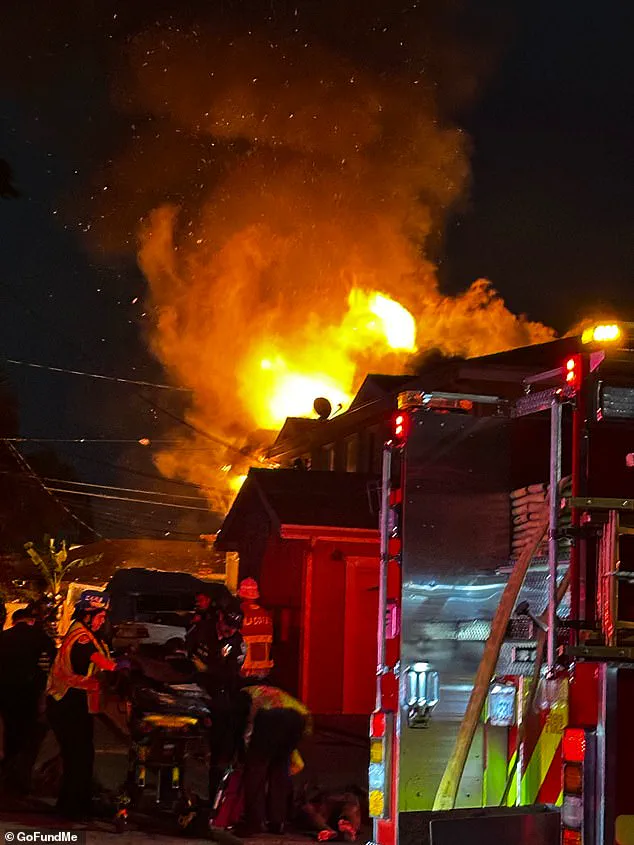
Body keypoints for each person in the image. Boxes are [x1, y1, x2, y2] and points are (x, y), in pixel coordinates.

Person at [46, 590, 117, 819]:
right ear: (88, 614)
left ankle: (75, 803)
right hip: (67, 702)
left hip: (74, 703)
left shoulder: (86, 633)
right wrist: (119, 667)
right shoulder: (82, 637)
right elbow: (98, 661)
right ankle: (73, 807)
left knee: (81, 754)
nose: (102, 621)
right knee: (78, 755)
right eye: (100, 616)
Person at [186, 591, 248, 802]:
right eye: (227, 625)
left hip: (221, 696)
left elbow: (230, 673)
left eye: (234, 627)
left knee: (222, 750)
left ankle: (216, 798)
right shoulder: (202, 630)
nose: (230, 630)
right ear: (220, 617)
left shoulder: (237, 643)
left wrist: (207, 670)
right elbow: (187, 651)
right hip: (194, 689)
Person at [235, 685, 311, 837]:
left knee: (256, 770)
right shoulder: (269, 692)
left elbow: (247, 723)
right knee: (280, 770)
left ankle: (255, 822)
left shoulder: (243, 695)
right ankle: (278, 821)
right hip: (298, 719)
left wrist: (243, 750)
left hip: (270, 719)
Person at [0, 604, 56, 795]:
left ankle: (7, 772)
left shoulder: (4, 637)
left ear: (14, 621)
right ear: (31, 621)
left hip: (5, 692)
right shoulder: (39, 637)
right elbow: (53, 661)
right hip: (29, 692)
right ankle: (20, 779)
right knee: (29, 734)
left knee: (9, 732)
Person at [238, 579, 274, 681]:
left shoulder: (239, 613)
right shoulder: (266, 614)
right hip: (264, 669)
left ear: (241, 595)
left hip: (244, 670)